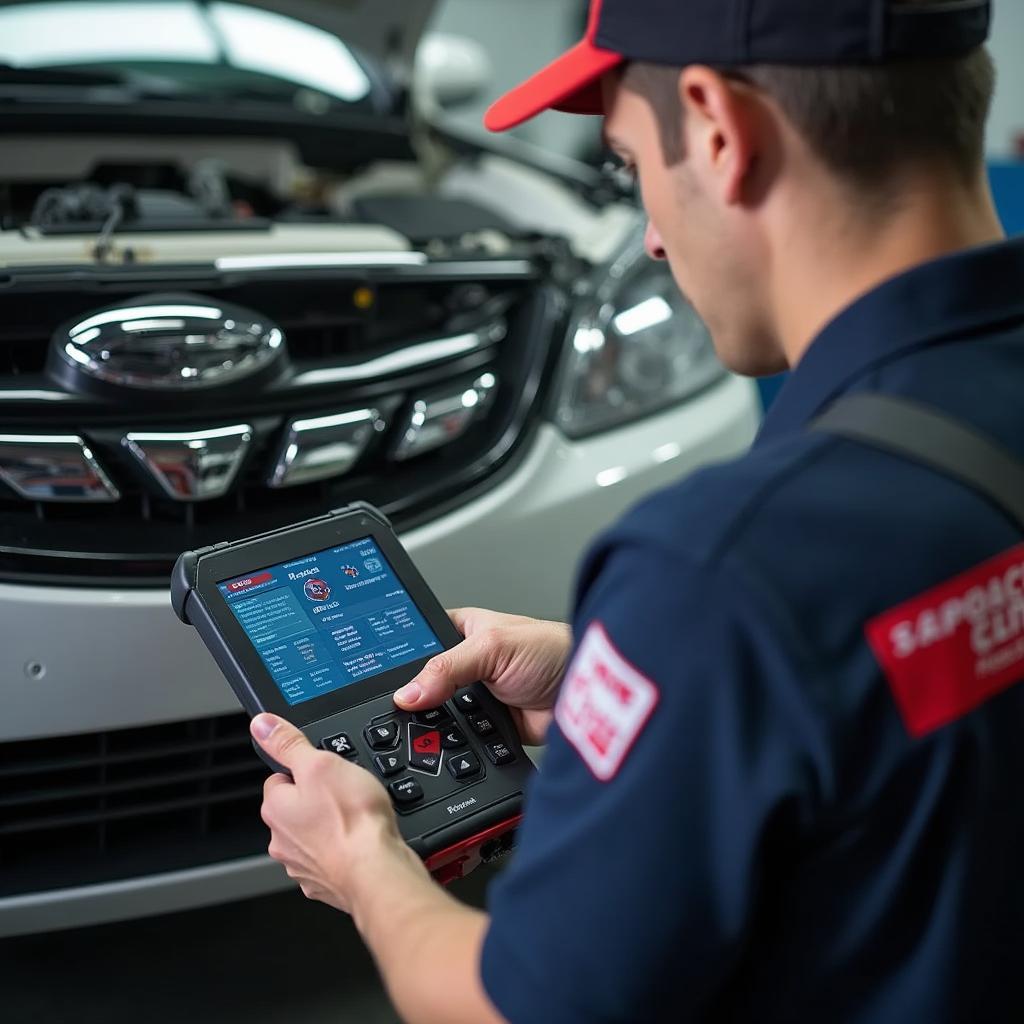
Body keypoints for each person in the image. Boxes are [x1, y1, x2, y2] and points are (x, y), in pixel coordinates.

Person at [248, 0, 1024, 1020]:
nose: (652, 237)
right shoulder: (777, 576)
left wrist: (362, 861)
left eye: (629, 165)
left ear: (715, 129)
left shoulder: (722, 567)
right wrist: (655, 684)